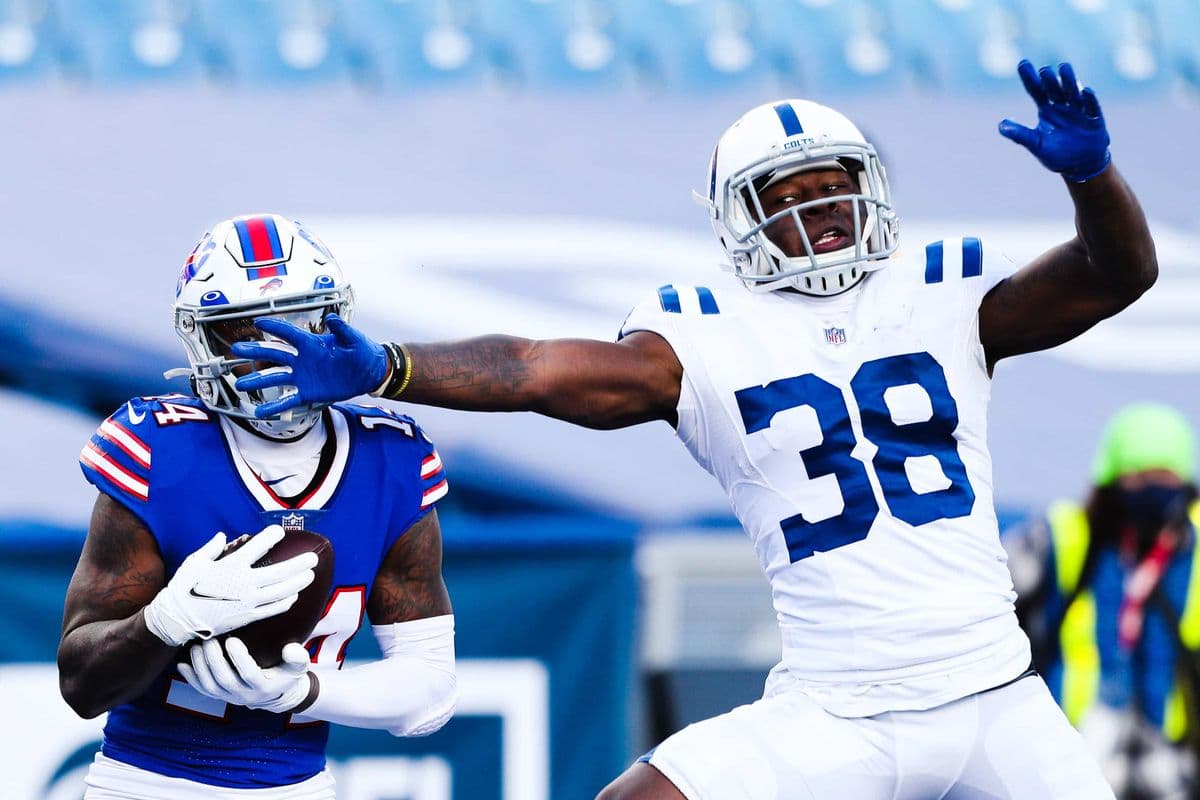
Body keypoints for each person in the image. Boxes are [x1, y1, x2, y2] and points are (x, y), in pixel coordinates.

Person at [233, 60, 1155, 799]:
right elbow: (536, 369)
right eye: (788, 193)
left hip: (994, 695)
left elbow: (1116, 274)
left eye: (834, 187)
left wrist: (1093, 177)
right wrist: (391, 364)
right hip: (838, 710)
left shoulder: (946, 292)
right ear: (741, 221)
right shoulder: (705, 332)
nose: (820, 209)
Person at [58, 214, 457, 799]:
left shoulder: (390, 455)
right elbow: (82, 686)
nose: (273, 354)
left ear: (334, 324)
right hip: (144, 783)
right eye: (240, 332)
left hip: (300, 786)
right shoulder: (156, 448)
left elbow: (429, 695)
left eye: (296, 325)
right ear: (202, 339)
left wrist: (304, 692)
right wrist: (164, 622)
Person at [1006, 403, 1200, 800]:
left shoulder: (1194, 548)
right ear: (1110, 480)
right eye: (1137, 478)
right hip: (1071, 744)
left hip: (1173, 755)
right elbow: (980, 603)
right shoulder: (1062, 535)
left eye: (1163, 476)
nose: (1151, 490)